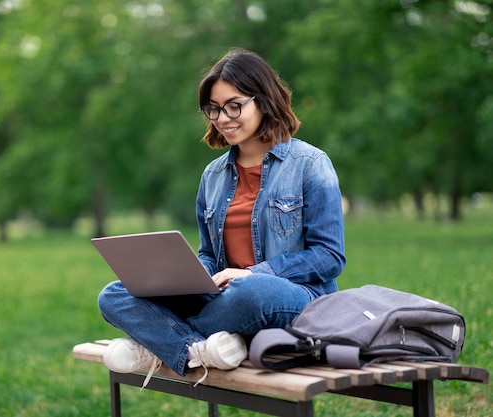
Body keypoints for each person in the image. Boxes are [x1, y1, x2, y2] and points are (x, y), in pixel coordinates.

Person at [97, 48, 346, 387]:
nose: (223, 117)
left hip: (294, 298)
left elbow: (330, 257)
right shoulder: (213, 175)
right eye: (213, 109)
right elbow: (211, 256)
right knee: (115, 294)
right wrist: (187, 278)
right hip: (225, 299)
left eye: (234, 105)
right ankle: (198, 348)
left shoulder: (311, 164)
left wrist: (251, 273)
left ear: (263, 101)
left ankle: (158, 344)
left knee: (252, 292)